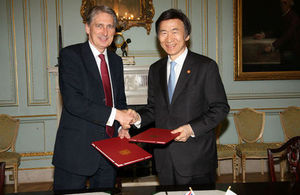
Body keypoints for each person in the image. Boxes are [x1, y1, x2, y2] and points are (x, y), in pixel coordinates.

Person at [130, 9, 230, 185]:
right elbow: (153, 109)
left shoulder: (205, 66)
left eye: (175, 31)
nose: (169, 38)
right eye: (163, 32)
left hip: (197, 160)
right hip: (164, 160)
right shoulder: (155, 69)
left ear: (187, 35)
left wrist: (191, 129)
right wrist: (137, 117)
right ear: (158, 37)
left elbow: (220, 108)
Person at [52, 5, 134, 191]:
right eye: (99, 26)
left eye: (110, 26)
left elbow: (119, 101)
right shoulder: (70, 55)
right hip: (75, 152)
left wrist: (122, 126)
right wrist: (117, 115)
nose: (105, 32)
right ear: (87, 28)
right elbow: (74, 102)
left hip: (109, 152)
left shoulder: (116, 61)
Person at [254, 0, 300, 66]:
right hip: (285, 47)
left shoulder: (294, 18)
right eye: (281, 3)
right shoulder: (284, 16)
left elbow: (287, 35)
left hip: (293, 50)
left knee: (282, 57)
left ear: (288, 4)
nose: (281, 5)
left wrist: (273, 46)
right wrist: (264, 35)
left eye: (284, 3)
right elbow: (277, 31)